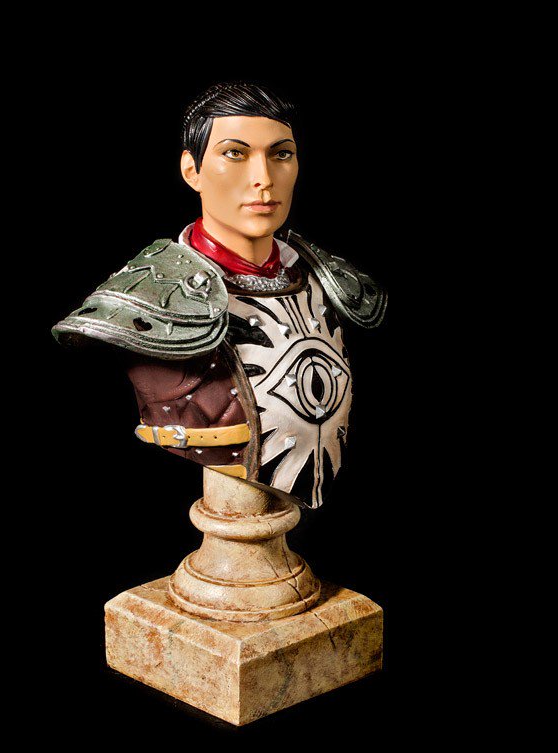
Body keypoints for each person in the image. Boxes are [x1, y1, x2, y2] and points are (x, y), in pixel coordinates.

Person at [52, 82, 386, 509]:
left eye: (281, 154)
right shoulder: (147, 297)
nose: (264, 178)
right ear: (191, 170)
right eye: (235, 154)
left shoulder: (324, 277)